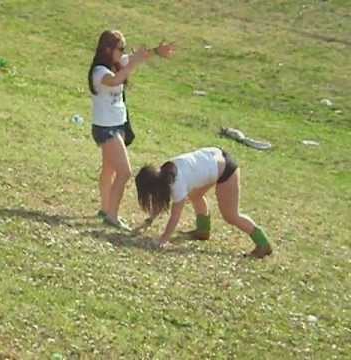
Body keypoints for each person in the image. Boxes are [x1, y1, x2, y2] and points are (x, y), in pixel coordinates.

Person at [88, 30, 175, 230]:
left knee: (109, 170)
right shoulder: (99, 72)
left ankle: (105, 208)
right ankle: (112, 215)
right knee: (125, 172)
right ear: (108, 49)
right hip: (106, 129)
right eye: (120, 48)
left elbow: (136, 58)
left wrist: (156, 51)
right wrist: (132, 64)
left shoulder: (116, 63)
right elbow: (115, 80)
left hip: (117, 126)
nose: (123, 52)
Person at [135, 147, 272, 258]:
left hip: (226, 170)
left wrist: (164, 239)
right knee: (196, 195)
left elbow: (175, 215)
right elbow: (161, 199)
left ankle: (263, 244)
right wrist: (150, 220)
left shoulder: (177, 183)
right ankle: (203, 231)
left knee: (231, 215)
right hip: (212, 159)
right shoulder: (164, 173)